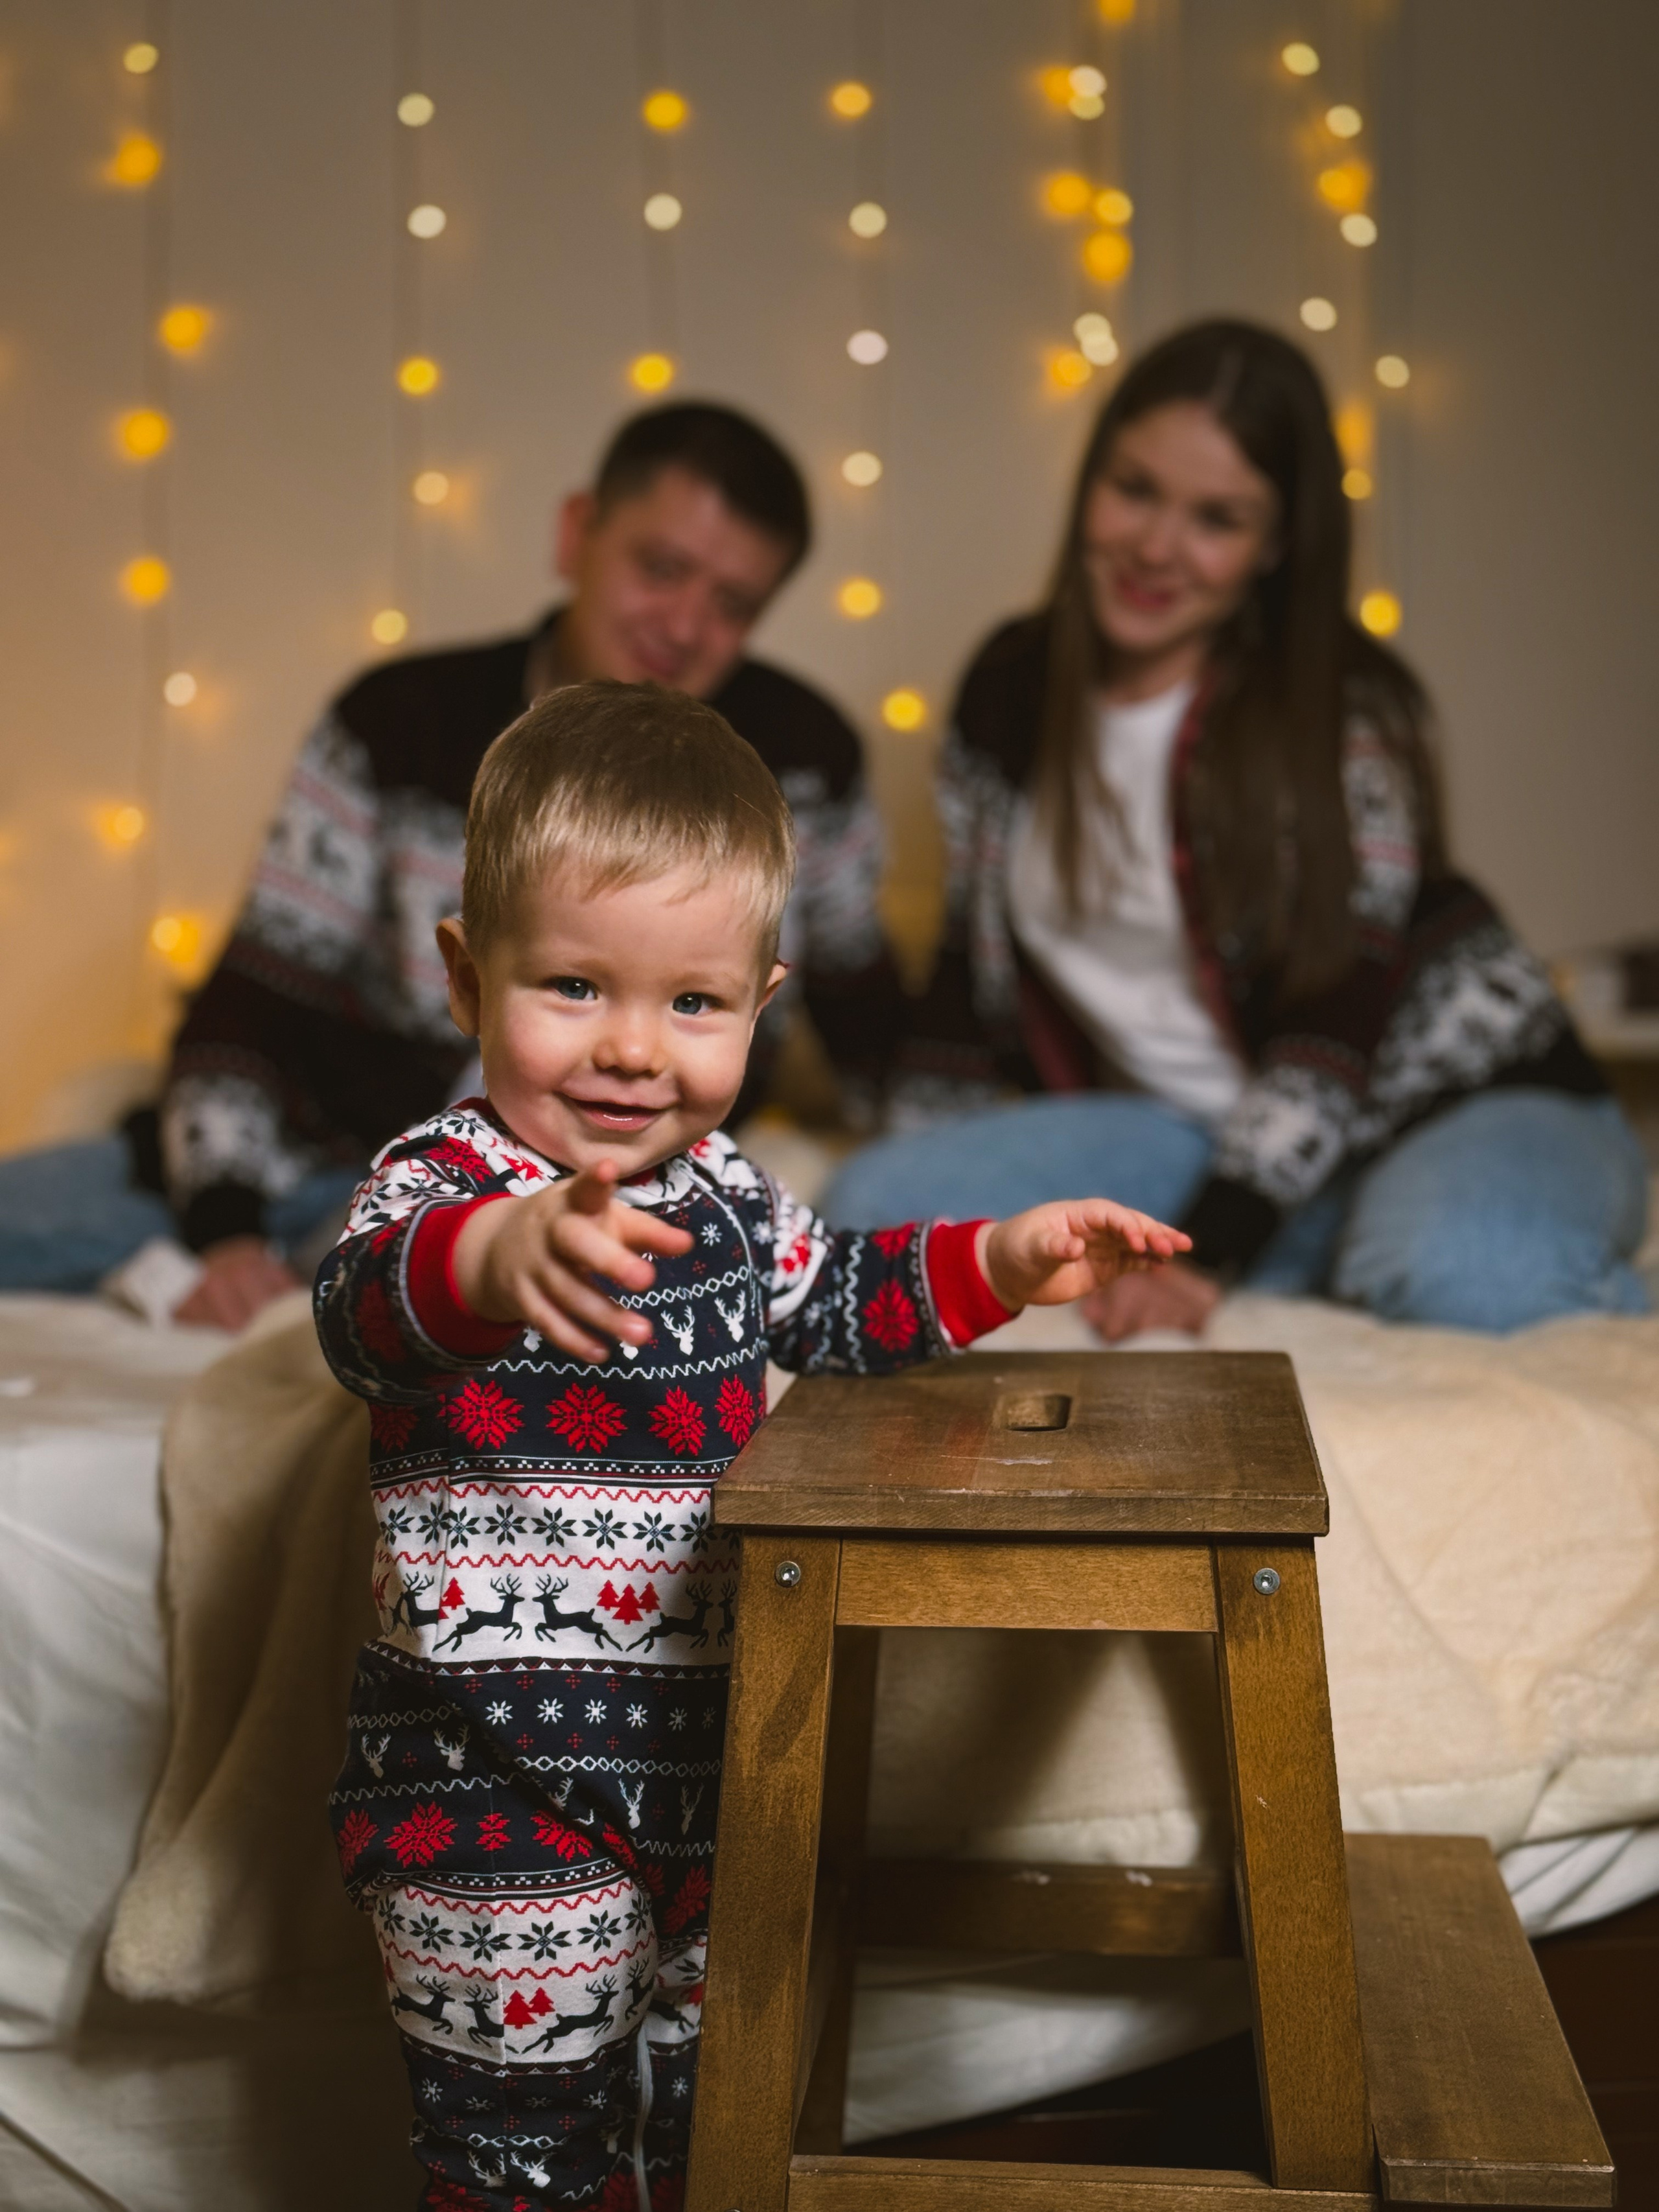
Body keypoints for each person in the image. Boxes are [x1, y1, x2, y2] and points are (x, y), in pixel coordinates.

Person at [315, 680, 1185, 2209]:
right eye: (573, 987)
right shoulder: (448, 1185)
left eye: (693, 1004)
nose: (634, 1052)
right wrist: (493, 1261)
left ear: (760, 1003)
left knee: (697, 2130)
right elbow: (360, 1313)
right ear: (466, 977)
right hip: (487, 1787)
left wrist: (1007, 1258)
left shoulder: (727, 1196)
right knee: (522, 2162)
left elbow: (840, 1299)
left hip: (712, 1774)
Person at [824, 319, 1650, 1334]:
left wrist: (1208, 1253)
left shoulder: (1347, 713)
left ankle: (1426, 1225)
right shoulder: (1009, 686)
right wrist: (927, 1185)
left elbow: (1329, 1036)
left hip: (1457, 1102)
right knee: (877, 1218)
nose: (1157, 547)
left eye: (1216, 518)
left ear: (1276, 545)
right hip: (1188, 1130)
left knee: (1463, 1275)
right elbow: (965, 969)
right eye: (1134, 490)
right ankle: (1325, 1239)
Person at [0, 402, 906, 1326]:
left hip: (583, 1189)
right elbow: (257, 996)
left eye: (732, 604)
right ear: (576, 535)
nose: (684, 623)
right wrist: (227, 1226)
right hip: (315, 1162)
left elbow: (873, 1019)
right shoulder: (397, 721)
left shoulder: (802, 759)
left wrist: (955, 1165)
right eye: (660, 568)